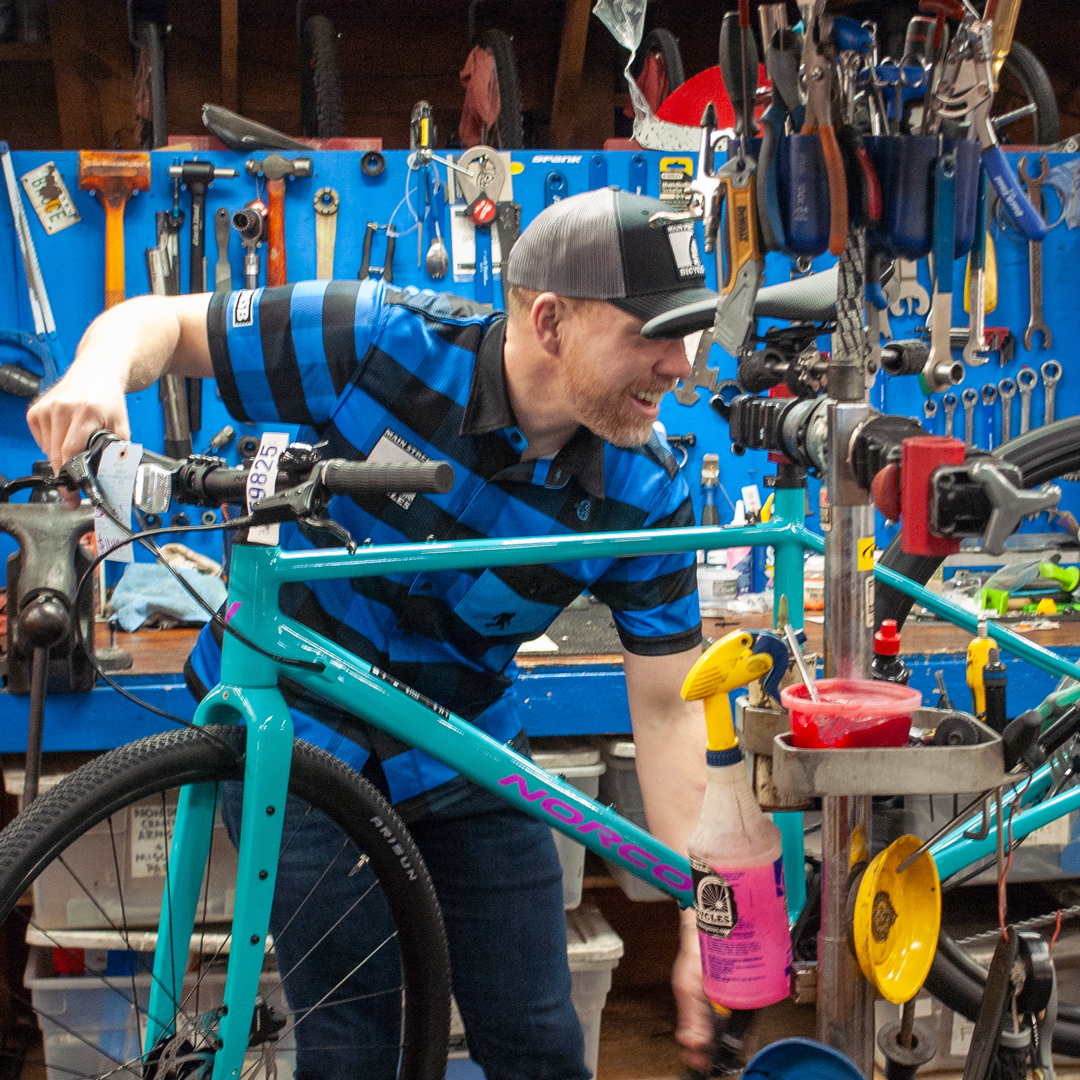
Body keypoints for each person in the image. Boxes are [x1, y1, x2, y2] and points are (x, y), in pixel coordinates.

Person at [28, 188, 719, 1080]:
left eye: (690, 331)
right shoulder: (374, 337)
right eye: (653, 333)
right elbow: (158, 321)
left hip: (465, 746)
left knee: (542, 1044)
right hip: (301, 733)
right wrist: (93, 375)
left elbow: (668, 714)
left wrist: (703, 920)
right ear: (550, 320)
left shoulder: (649, 489)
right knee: (354, 1049)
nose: (681, 363)